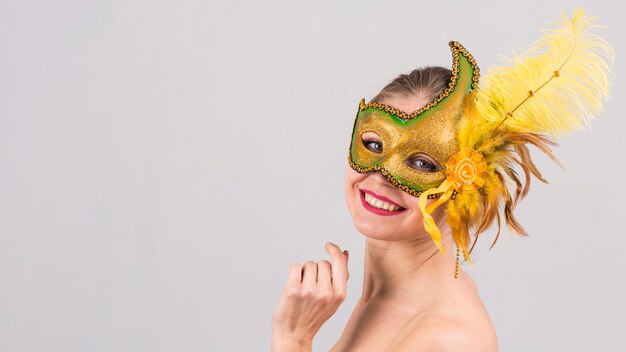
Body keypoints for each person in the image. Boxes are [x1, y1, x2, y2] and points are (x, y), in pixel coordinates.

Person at [271, 7, 613, 352]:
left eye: (422, 163)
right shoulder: (384, 300)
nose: (381, 176)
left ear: (467, 185)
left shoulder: (446, 340)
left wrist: (293, 340)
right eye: (374, 144)